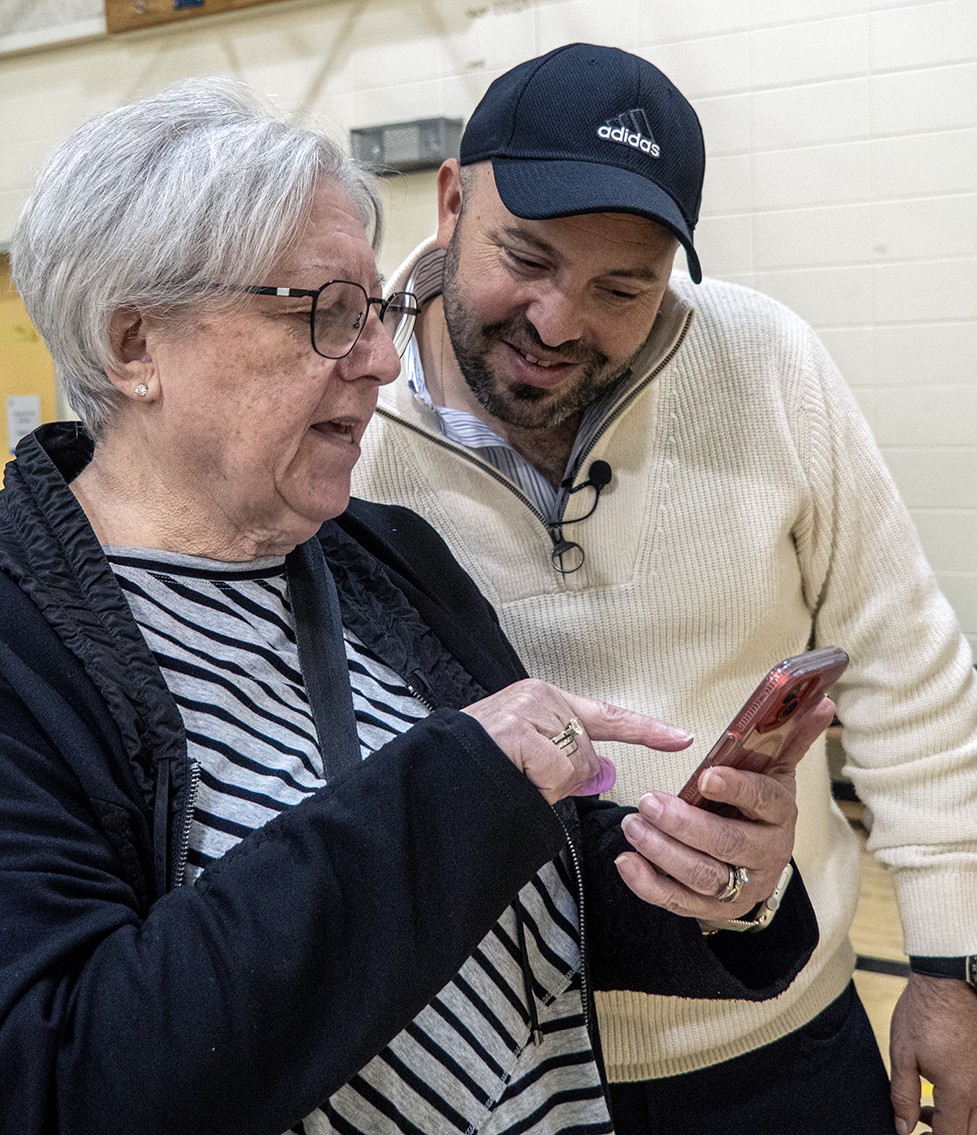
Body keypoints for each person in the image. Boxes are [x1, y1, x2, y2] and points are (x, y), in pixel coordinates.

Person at [0, 77, 830, 1135]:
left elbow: (518, 875)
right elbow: (68, 1079)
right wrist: (454, 782)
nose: (384, 358)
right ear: (135, 346)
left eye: (377, 311)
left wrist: (715, 884)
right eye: (328, 315)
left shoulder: (384, 557)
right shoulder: (24, 644)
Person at [351, 41, 977, 1135]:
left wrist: (949, 963)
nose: (558, 323)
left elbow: (904, 667)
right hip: (467, 1067)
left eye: (622, 287)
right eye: (526, 257)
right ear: (452, 198)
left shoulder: (764, 361)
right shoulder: (340, 406)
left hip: (775, 1033)